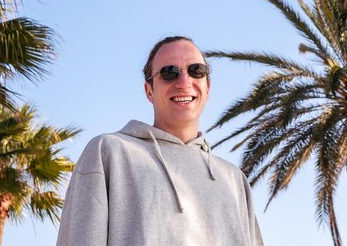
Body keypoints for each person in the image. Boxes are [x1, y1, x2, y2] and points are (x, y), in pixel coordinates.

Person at [56, 36, 265, 246]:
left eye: (196, 71)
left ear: (207, 87)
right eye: (169, 73)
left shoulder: (234, 179)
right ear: (149, 91)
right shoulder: (108, 152)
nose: (184, 82)